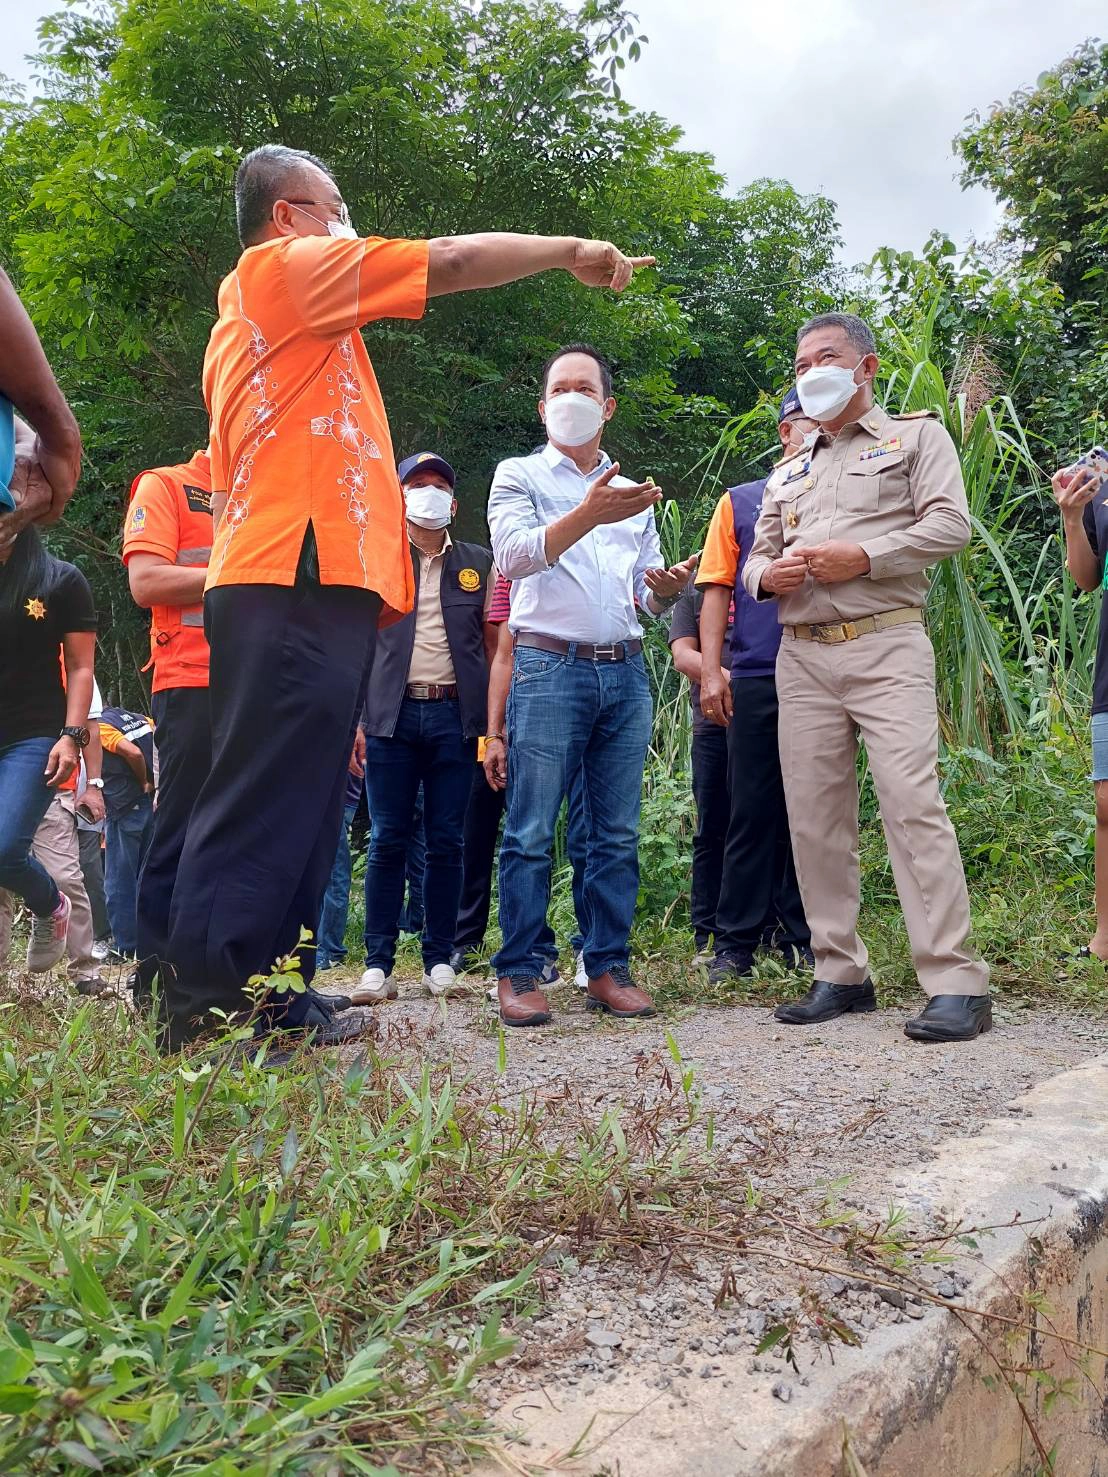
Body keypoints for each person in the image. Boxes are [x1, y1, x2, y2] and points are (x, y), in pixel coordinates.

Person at [162, 143, 653, 1051]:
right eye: (333, 203)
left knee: (307, 802)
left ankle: (277, 993)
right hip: (287, 570)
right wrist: (569, 249)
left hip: (326, 580)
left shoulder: (314, 333)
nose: (346, 220)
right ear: (287, 217)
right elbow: (454, 260)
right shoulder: (279, 275)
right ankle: (205, 1009)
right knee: (261, 792)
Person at [733, 312, 991, 1042]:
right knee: (814, 815)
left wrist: (866, 557)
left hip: (885, 645)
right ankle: (839, 969)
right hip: (802, 653)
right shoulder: (789, 466)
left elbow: (952, 526)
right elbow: (755, 558)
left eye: (827, 356)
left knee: (912, 804)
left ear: (866, 366)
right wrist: (766, 575)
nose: (811, 369)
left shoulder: (915, 438)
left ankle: (956, 979)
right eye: (801, 361)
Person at [487, 343, 697, 1027]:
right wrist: (589, 511)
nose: (571, 397)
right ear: (543, 405)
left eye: (586, 387)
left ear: (607, 405)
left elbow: (644, 594)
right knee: (528, 828)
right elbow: (515, 556)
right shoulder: (516, 474)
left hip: (625, 667)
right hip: (548, 665)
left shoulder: (633, 493)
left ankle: (605, 964)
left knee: (613, 831)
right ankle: (519, 970)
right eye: (559, 387)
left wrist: (666, 591)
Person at [359, 452, 494, 1000]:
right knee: (388, 837)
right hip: (390, 717)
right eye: (418, 484)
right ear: (398, 497)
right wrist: (356, 726)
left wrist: (492, 729)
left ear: (454, 503)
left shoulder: (479, 564)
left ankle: (440, 956)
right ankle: (377, 962)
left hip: (455, 718)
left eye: (440, 485)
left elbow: (492, 648)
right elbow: (357, 648)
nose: (429, 493)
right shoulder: (375, 562)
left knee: (447, 840)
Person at [696, 390, 813, 980]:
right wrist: (713, 670)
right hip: (760, 671)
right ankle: (734, 942)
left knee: (813, 807)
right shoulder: (740, 501)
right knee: (750, 806)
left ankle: (804, 936)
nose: (809, 430)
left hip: (824, 666)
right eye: (800, 423)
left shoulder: (843, 495)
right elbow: (716, 588)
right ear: (783, 431)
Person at [458, 573, 590, 987]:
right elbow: (503, 655)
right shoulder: (512, 569)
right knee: (530, 833)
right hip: (533, 712)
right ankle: (533, 950)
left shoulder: (606, 548)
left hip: (600, 702)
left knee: (594, 834)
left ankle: (593, 948)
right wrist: (494, 735)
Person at [123, 448, 213, 1001]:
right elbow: (147, 581)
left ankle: (245, 984)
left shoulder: (267, 498)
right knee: (179, 829)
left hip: (264, 687)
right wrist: (241, 576)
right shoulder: (168, 486)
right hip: (191, 682)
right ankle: (157, 986)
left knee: (253, 837)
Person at [0, 520, 97, 970]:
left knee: (4, 848)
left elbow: (80, 667)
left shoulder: (58, 580)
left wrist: (72, 736)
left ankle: (50, 905)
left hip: (34, 735)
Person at [1051, 454, 1108, 961]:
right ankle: (1104, 940)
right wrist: (1072, 516)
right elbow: (1088, 579)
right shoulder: (1101, 479)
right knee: (1107, 801)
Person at [666, 582, 733, 965]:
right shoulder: (695, 593)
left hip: (770, 715)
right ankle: (707, 933)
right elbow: (682, 655)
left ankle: (775, 928)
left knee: (772, 823)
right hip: (713, 720)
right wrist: (726, 679)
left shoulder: (767, 584)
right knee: (712, 827)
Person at [99, 706, 155, 961]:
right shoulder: (138, 718)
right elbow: (163, 743)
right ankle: (150, 940)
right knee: (149, 873)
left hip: (125, 806)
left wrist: (143, 779)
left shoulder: (101, 726)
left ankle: (124, 946)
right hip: (150, 805)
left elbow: (132, 752)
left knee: (119, 880)